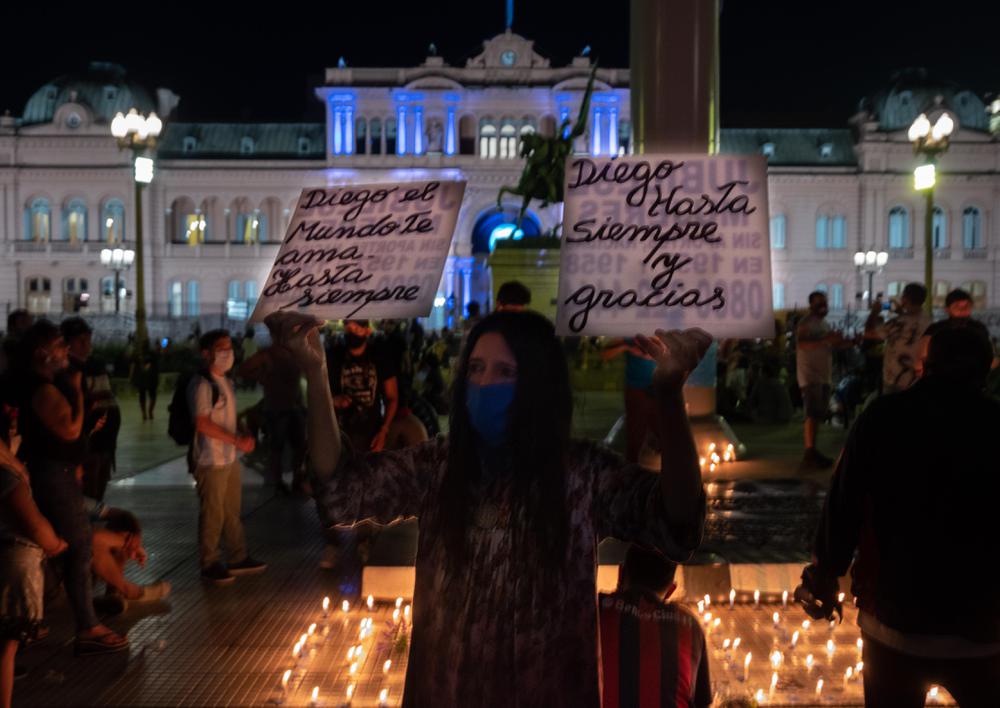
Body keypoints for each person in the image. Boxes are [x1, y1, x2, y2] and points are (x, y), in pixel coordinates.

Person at [270, 309, 709, 707]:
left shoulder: (581, 474)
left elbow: (676, 521)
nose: (483, 384)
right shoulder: (438, 466)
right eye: (476, 369)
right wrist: (316, 371)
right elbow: (341, 491)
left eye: (504, 371)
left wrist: (669, 396)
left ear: (538, 384)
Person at [797, 325, 1000, 707]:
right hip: (983, 627)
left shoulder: (883, 418)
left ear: (926, 365)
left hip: (893, 623)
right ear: (986, 369)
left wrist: (824, 575)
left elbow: (844, 505)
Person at [15, 321, 128, 654]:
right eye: (60, 345)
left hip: (60, 472)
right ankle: (87, 625)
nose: (65, 351)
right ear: (41, 353)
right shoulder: (42, 388)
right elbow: (68, 428)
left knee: (70, 546)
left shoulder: (42, 385)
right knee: (78, 548)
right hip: (54, 475)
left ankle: (58, 616)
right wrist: (78, 392)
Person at [189, 329, 267, 585]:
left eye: (229, 348)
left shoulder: (226, 382)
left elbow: (225, 420)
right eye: (221, 349)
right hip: (210, 460)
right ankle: (209, 562)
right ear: (206, 353)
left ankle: (237, 556)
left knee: (231, 511)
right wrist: (236, 440)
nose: (227, 353)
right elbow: (202, 423)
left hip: (228, 458)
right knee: (213, 513)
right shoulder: (202, 384)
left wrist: (241, 434)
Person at [599, 545, 712, 708]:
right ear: (671, 590)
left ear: (621, 573)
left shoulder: (595, 609)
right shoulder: (690, 624)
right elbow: (702, 703)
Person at [0, 434, 67, 708]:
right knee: (6, 646)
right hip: (14, 564)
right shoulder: (7, 478)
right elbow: (35, 525)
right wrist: (56, 544)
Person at [237, 320, 307, 495]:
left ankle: (295, 480)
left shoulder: (292, 353)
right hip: (277, 407)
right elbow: (243, 369)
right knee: (278, 446)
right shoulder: (269, 354)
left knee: (298, 446)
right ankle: (278, 483)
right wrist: (262, 377)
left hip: (293, 405)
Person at [61, 317, 121, 501]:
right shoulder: (67, 370)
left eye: (88, 339)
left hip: (104, 443)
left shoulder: (94, 364)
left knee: (96, 494)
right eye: (81, 341)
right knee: (88, 496)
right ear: (67, 343)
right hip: (88, 445)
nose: (87, 345)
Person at [795, 292, 846, 468]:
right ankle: (809, 452)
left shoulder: (823, 324)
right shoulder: (806, 323)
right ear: (811, 305)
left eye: (825, 302)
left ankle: (813, 451)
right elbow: (802, 343)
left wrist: (843, 341)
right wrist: (827, 339)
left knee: (817, 414)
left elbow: (828, 344)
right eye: (819, 304)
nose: (823, 306)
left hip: (823, 375)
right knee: (811, 413)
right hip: (810, 375)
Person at [90, 507, 170, 611]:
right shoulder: (67, 499)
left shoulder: (80, 501)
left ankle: (113, 592)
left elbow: (122, 514)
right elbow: (88, 538)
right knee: (93, 542)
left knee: (124, 526)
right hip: (70, 542)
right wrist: (129, 544)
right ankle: (130, 592)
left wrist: (136, 534)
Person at [602, 339, 659, 464]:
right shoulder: (629, 332)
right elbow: (605, 353)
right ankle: (633, 473)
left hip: (661, 389)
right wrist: (626, 347)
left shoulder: (664, 328)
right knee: (635, 438)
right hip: (636, 389)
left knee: (663, 438)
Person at [917, 288, 990, 376]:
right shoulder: (936, 329)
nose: (962, 309)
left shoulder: (979, 328)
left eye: (967, 306)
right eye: (957, 306)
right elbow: (922, 355)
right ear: (947, 309)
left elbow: (987, 353)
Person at [882, 283, 929, 394]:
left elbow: (872, 333)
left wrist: (874, 312)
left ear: (905, 299)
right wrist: (901, 313)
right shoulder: (928, 320)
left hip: (895, 378)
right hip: (916, 379)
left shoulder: (898, 322)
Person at [131, 338, 161, 421]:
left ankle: (144, 413)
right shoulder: (153, 354)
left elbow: (133, 366)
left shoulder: (138, 355)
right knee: (152, 396)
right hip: (151, 379)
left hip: (142, 379)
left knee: (142, 396)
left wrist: (132, 378)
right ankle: (150, 411)